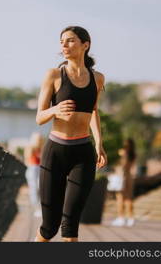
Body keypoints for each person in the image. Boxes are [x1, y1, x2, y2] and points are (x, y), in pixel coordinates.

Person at [34, 26, 107, 242]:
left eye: (70, 41)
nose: (64, 45)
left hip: (82, 154)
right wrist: (55, 109)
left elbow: (93, 112)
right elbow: (39, 117)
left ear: (85, 45)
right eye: (62, 41)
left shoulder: (98, 78)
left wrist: (98, 144)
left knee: (70, 226)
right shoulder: (54, 75)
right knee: (49, 227)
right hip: (55, 152)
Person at [110, 138, 137, 227]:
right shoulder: (133, 154)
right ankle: (131, 218)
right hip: (129, 176)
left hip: (122, 176)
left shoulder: (123, 152)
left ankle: (121, 218)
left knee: (120, 198)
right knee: (129, 198)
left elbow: (122, 165)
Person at [24, 132, 44, 217]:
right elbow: (27, 159)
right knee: (34, 189)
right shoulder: (30, 148)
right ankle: (37, 209)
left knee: (40, 188)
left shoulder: (40, 149)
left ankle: (40, 208)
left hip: (38, 169)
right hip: (33, 169)